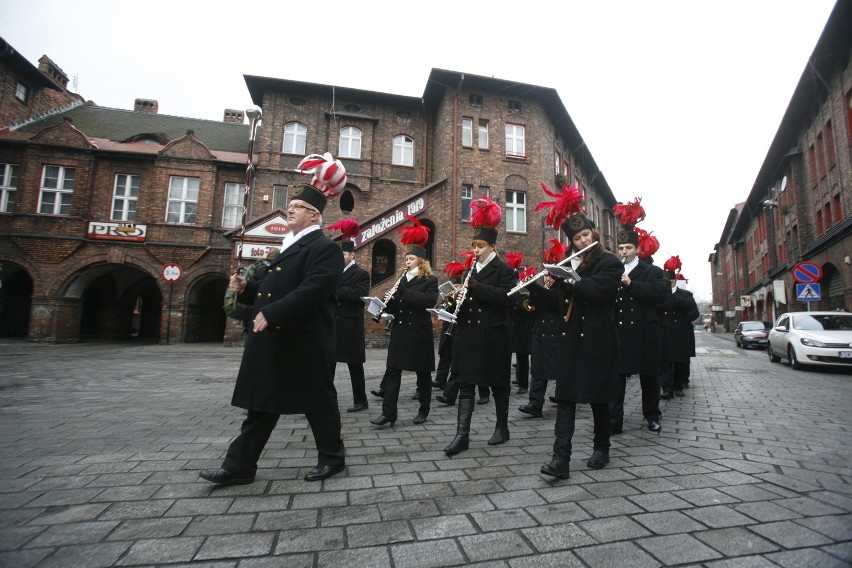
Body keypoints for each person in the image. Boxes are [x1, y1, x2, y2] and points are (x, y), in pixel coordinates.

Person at [201, 155, 349, 485]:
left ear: (314, 214)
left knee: (319, 402)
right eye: (291, 205)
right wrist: (249, 288)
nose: (290, 210)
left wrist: (271, 312)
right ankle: (239, 466)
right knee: (262, 404)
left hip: (305, 339)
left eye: (297, 206)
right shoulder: (288, 245)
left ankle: (332, 458)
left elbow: (313, 290)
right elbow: (275, 288)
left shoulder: (324, 247)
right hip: (278, 337)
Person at [535, 182, 622, 479]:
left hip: (598, 340)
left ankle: (602, 447)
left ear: (593, 234)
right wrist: (536, 289)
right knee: (567, 399)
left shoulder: (610, 262)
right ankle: (561, 459)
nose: (583, 240)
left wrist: (568, 279)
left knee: (598, 398)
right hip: (570, 341)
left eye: (586, 235)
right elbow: (557, 305)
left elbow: (600, 291)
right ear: (571, 243)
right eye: (577, 238)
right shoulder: (568, 266)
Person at [444, 196, 517, 455]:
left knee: (497, 383)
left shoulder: (505, 271)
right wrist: (454, 300)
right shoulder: (469, 270)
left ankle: (501, 427)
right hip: (469, 334)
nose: (475, 251)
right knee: (466, 383)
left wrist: (479, 288)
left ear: (492, 247)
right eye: (474, 246)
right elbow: (467, 300)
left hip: (493, 335)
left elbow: (508, 299)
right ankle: (462, 434)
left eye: (481, 246)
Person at [370, 216, 438, 427]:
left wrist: (403, 291)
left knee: (423, 373)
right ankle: (388, 412)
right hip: (400, 331)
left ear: (420, 261)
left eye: (410, 259)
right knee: (392, 371)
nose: (406, 262)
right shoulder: (402, 279)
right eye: (406, 259)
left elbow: (427, 301)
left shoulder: (430, 280)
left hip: (419, 331)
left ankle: (424, 409)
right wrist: (383, 306)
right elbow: (396, 303)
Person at [609, 218, 669, 434]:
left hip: (644, 331)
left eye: (628, 248)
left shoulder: (651, 271)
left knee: (649, 378)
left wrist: (632, 284)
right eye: (621, 248)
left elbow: (661, 295)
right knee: (617, 379)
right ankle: (615, 421)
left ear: (637, 249)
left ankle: (652, 415)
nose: (624, 251)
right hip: (621, 332)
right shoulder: (614, 270)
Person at [518, 241, 567, 419]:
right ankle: (535, 403)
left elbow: (551, 300)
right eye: (546, 276)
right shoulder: (544, 289)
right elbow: (531, 307)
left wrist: (531, 285)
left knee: (559, 368)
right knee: (537, 369)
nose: (548, 279)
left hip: (555, 333)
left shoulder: (561, 288)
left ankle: (564, 395)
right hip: (539, 331)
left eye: (551, 276)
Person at [330, 219, 371, 413]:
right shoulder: (334, 272)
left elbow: (359, 296)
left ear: (352, 255)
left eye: (344, 254)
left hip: (350, 325)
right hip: (333, 324)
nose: (340, 257)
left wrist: (338, 288)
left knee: (354, 366)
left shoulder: (361, 274)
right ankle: (325, 401)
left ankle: (360, 400)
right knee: (328, 365)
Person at [658, 256, 699, 397]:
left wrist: (682, 318)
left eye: (672, 281)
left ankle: (678, 386)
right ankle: (667, 389)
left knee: (681, 362)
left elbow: (694, 312)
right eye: (667, 281)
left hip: (681, 333)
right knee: (665, 362)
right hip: (666, 331)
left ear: (675, 281)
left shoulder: (686, 294)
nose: (669, 283)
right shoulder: (661, 294)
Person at [507, 253, 532, 395]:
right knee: (508, 355)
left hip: (521, 327)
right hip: (510, 325)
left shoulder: (522, 289)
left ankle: (523, 384)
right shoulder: (510, 288)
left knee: (522, 356)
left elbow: (526, 308)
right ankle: (515, 380)